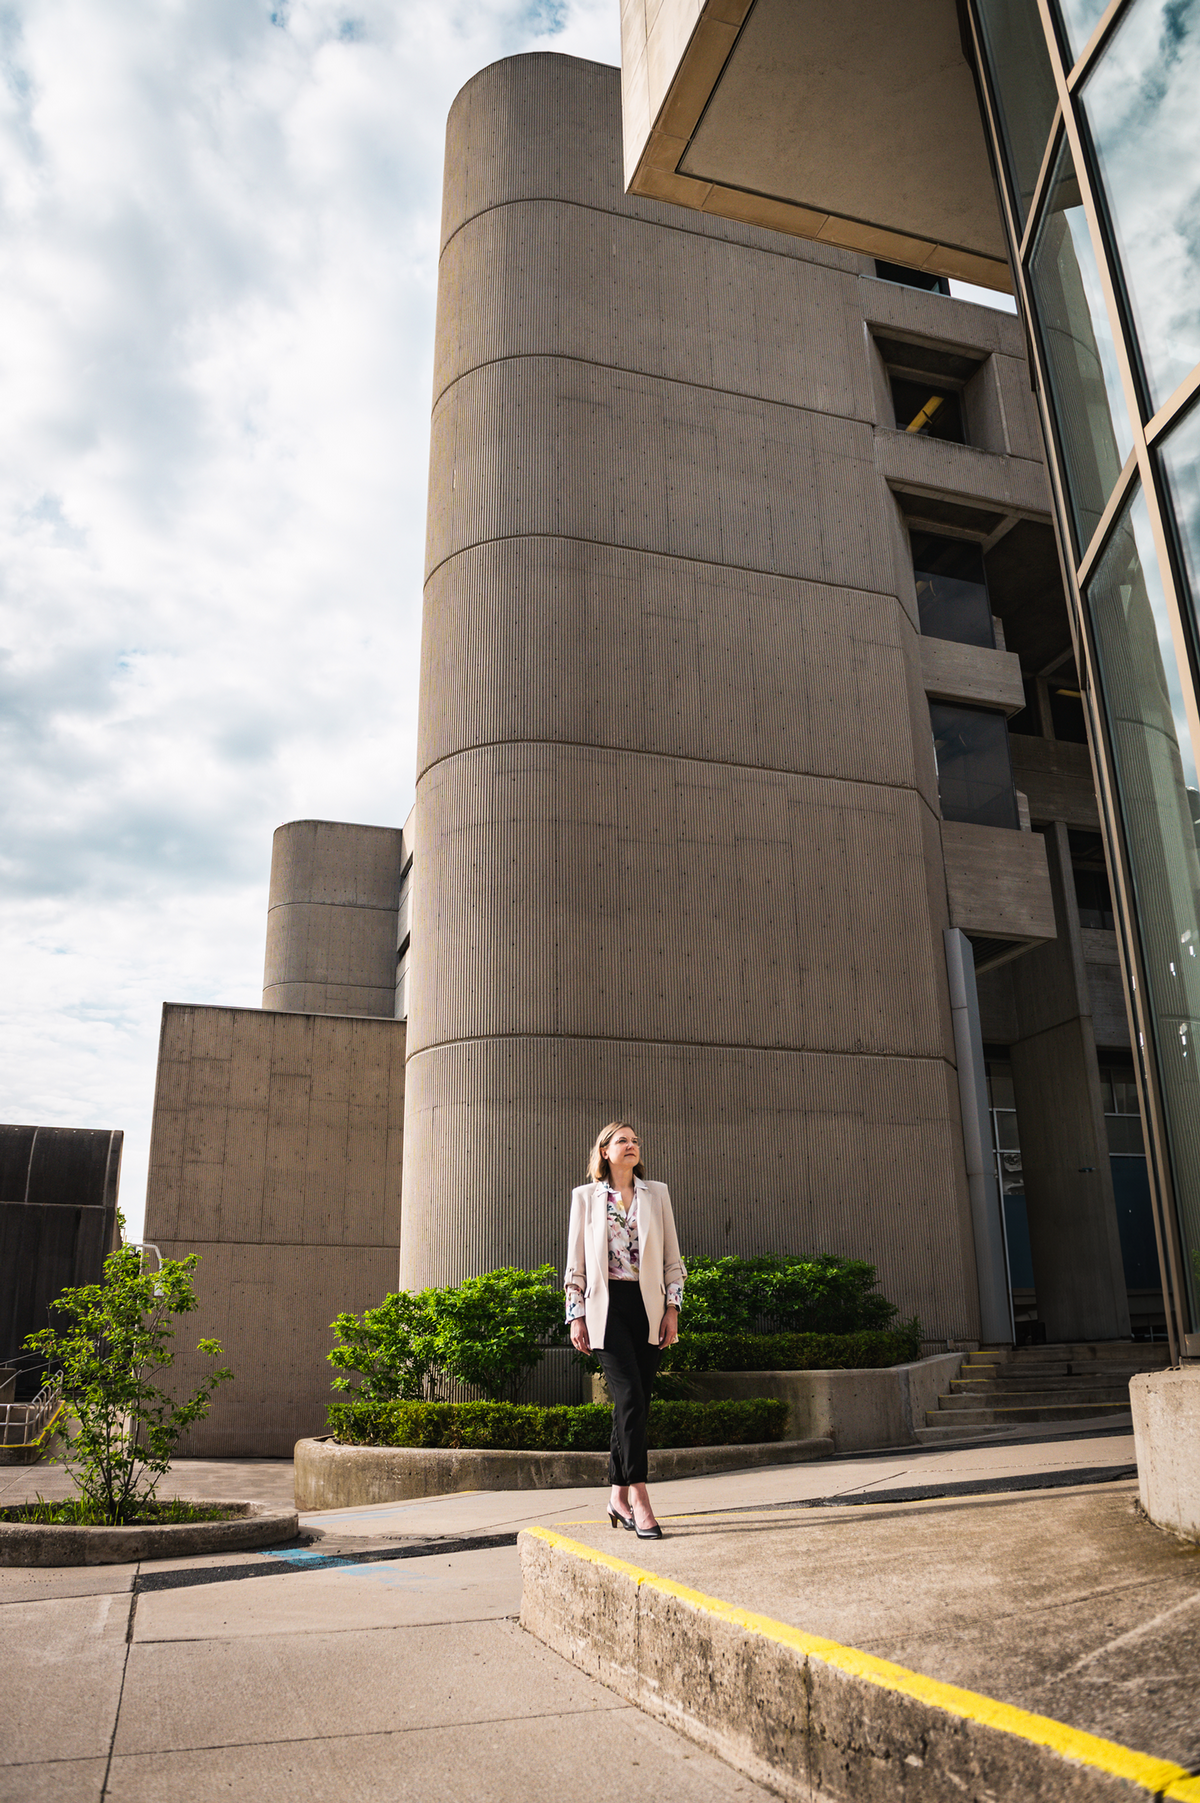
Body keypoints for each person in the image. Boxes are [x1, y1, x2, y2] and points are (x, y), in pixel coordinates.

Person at [564, 1121, 685, 1539]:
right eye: (622, 1141)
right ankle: (639, 1497)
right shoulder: (586, 1199)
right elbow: (575, 1267)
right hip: (606, 1309)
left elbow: (673, 1261)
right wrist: (575, 1316)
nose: (631, 1146)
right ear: (604, 1151)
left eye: (635, 1141)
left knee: (635, 1403)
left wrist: (673, 1310)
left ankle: (615, 1495)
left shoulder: (658, 1194)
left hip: (648, 1309)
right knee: (630, 1395)